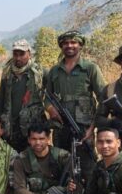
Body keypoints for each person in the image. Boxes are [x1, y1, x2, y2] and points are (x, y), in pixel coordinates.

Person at [44, 30, 105, 182]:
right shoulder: (54, 71)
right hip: (61, 128)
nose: (69, 46)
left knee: (88, 168)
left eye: (73, 42)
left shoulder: (90, 68)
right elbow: (47, 98)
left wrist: (92, 128)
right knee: (61, 167)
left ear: (80, 45)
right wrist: (51, 109)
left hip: (83, 129)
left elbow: (103, 100)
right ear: (61, 46)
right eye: (65, 43)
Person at [0, 39, 46, 152]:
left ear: (29, 53)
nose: (18, 58)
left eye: (22, 54)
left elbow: (51, 96)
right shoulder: (7, 73)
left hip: (32, 126)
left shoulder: (39, 73)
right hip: (11, 127)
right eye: (15, 54)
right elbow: (1, 100)